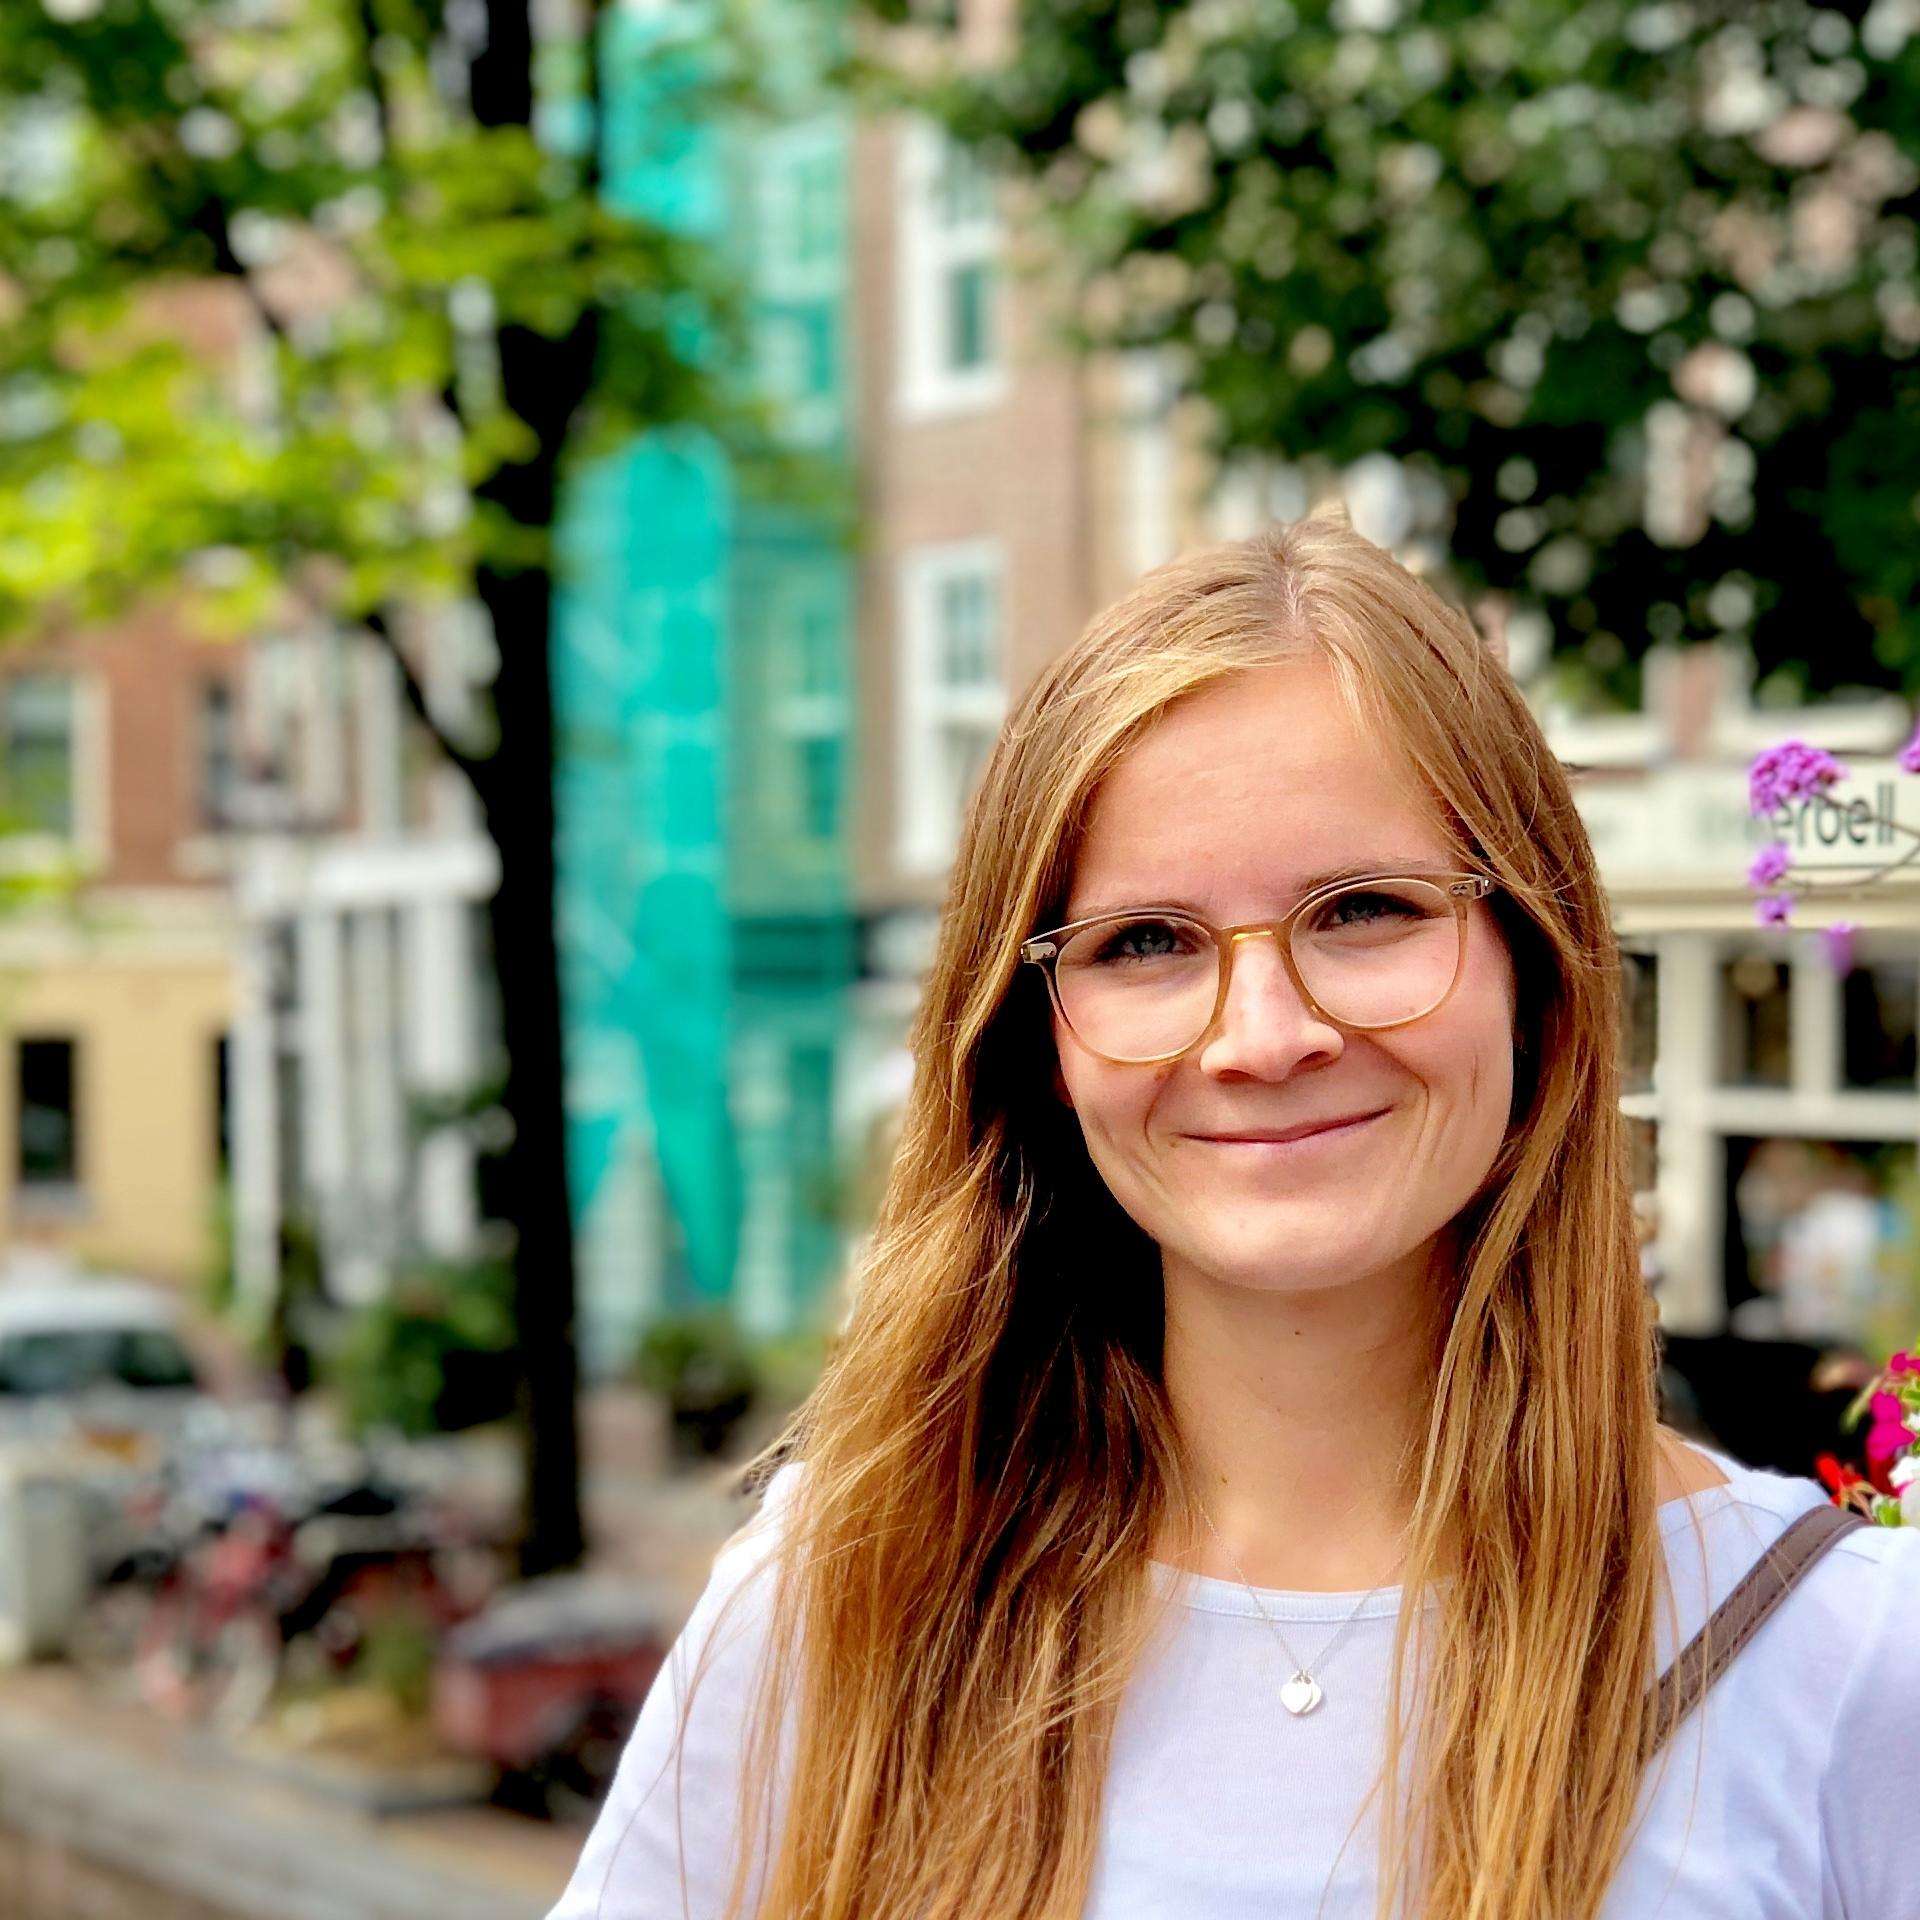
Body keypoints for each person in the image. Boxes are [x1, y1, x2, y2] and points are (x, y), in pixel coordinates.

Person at [548, 520, 1920, 1920]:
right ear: (1039, 1038)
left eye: (1364, 911)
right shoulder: (840, 1601)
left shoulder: (1842, 1656)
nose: (1263, 1036)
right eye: (1144, 942)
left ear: (1534, 966)